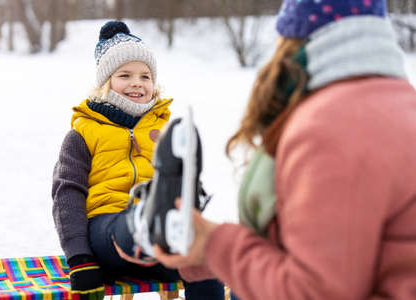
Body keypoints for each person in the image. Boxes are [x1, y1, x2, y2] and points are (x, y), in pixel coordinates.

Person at [153, 1, 416, 299]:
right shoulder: (400, 103)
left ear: (294, 35)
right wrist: (207, 254)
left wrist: (216, 244)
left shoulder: (332, 126)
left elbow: (315, 291)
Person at [52, 20, 224, 300]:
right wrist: (79, 258)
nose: (137, 83)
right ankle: (150, 223)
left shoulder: (164, 130)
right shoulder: (83, 132)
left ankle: (165, 225)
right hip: (106, 232)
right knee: (137, 221)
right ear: (105, 82)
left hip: (165, 245)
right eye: (125, 75)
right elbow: (66, 196)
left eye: (145, 76)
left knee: (208, 261)